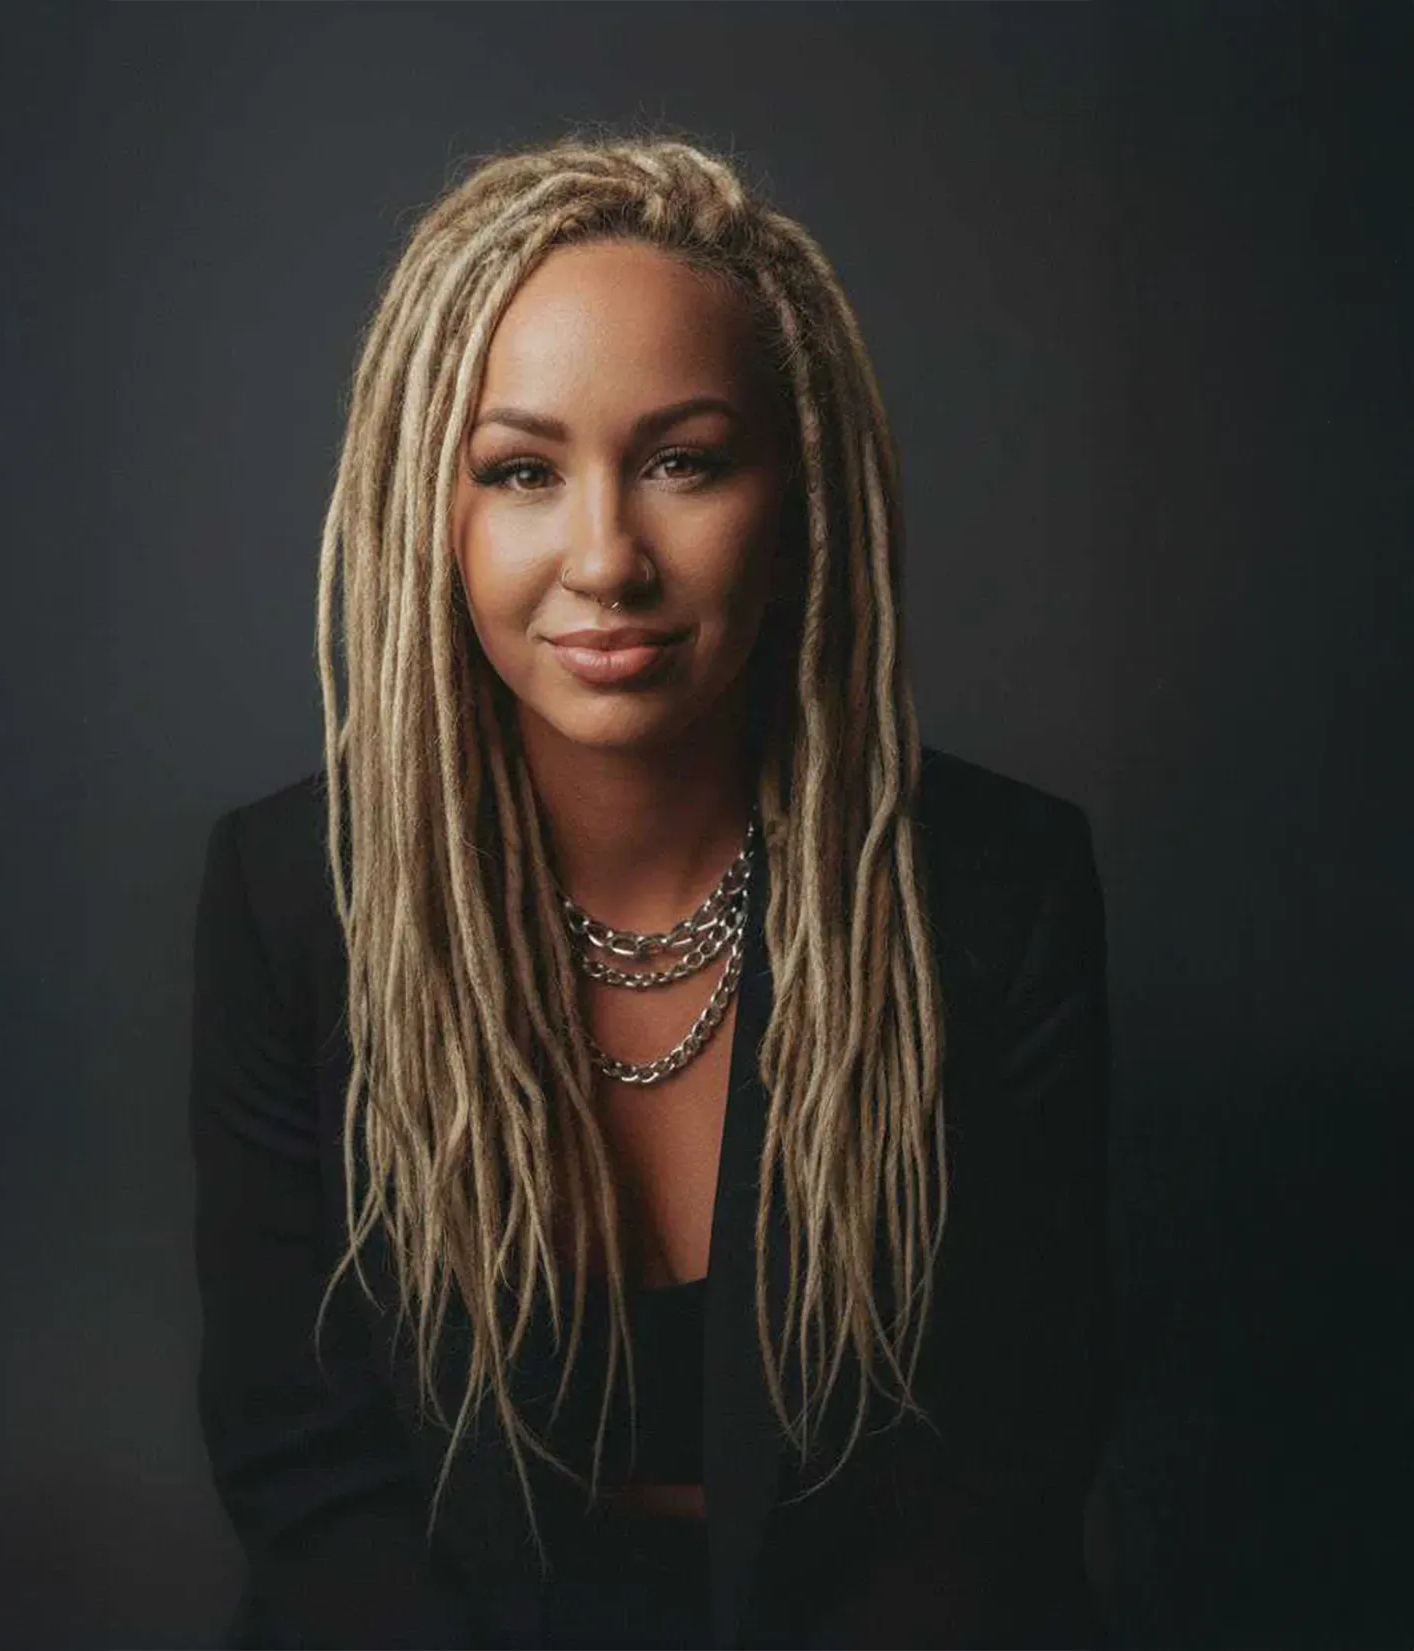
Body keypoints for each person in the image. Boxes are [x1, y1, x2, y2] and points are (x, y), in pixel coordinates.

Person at [188, 135, 1114, 1650]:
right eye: (523, 472)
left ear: (796, 495)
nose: (606, 556)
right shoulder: (297, 902)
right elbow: (311, 1487)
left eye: (685, 459)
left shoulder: (995, 896)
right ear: (438, 512)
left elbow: (996, 1486)